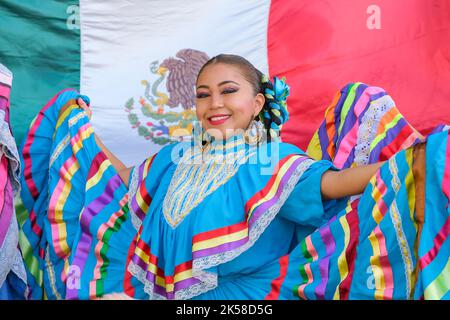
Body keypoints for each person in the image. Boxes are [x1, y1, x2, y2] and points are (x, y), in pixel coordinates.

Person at [17, 54, 449, 300]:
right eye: (203, 94)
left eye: (228, 91)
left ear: (258, 102)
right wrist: (83, 132)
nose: (213, 103)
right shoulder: (175, 158)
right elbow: (122, 180)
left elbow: (338, 183)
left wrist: (414, 161)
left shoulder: (276, 160)